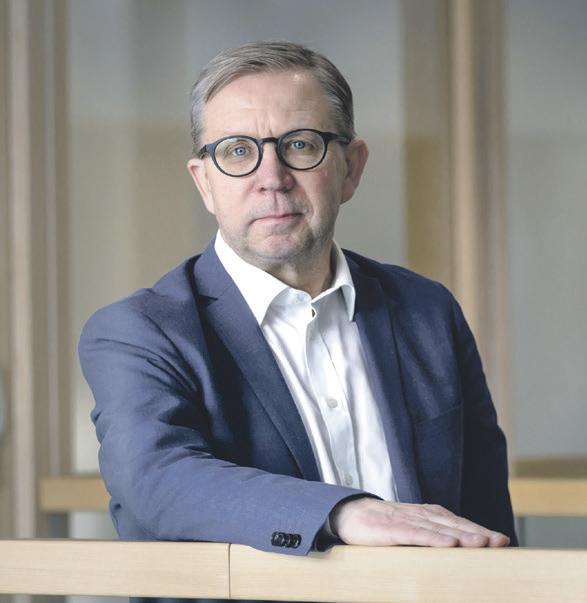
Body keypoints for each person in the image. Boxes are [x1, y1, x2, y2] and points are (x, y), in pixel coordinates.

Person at [79, 40, 516, 576]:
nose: (272, 177)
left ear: (351, 168)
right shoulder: (139, 331)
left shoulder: (428, 312)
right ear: (204, 183)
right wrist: (345, 513)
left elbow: (487, 520)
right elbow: (157, 479)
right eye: (237, 151)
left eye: (301, 145)